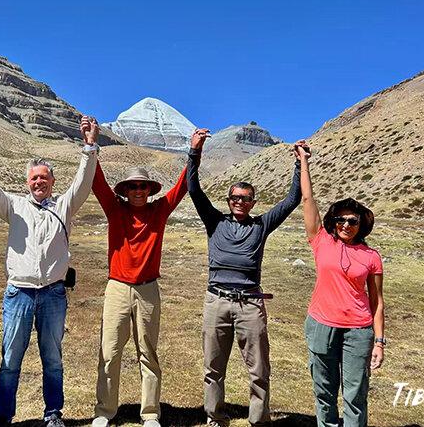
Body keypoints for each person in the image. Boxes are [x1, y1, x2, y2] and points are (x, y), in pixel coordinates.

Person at [0, 118, 100, 427]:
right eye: (34, 178)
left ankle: (53, 414)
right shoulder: (13, 206)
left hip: (53, 293)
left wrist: (89, 146)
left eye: (44, 178)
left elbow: (83, 181)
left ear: (53, 181)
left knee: (52, 360)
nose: (39, 182)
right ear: (28, 182)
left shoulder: (65, 205)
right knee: (10, 360)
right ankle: (3, 416)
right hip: (19, 294)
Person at [186, 128, 302, 427]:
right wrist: (194, 151)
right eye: (235, 197)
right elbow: (194, 189)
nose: (240, 202)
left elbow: (291, 200)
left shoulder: (261, 225)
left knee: (258, 368)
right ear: (229, 200)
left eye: (246, 198)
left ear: (252, 202)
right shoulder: (215, 221)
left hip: (250, 303)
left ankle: (259, 420)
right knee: (213, 366)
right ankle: (215, 417)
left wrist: (300, 164)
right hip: (216, 300)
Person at [90, 157, 188, 427]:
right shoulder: (114, 209)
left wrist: (195, 151)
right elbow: (97, 184)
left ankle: (150, 413)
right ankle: (104, 411)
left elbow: (183, 185)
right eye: (132, 186)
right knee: (110, 351)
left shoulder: (160, 211)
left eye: (142, 186)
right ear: (125, 190)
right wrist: (90, 146)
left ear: (149, 189)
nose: (138, 190)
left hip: (148, 290)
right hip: (118, 288)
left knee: (148, 351)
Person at [294, 141, 385, 427]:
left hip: (358, 331)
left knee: (356, 395)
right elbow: (308, 201)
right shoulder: (321, 241)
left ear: (362, 225)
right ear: (333, 222)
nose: (346, 225)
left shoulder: (371, 256)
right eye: (341, 220)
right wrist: (304, 163)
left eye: (353, 221)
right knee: (324, 392)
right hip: (321, 325)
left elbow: (377, 302)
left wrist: (379, 341)